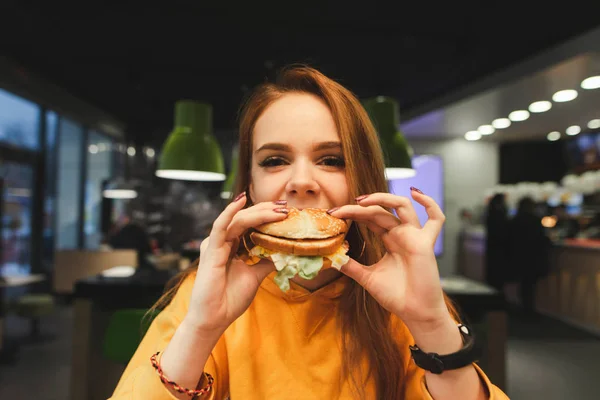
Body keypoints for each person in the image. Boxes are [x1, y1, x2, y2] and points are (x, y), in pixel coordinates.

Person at [110, 66, 507, 399]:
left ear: (361, 180)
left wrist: (430, 322)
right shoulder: (205, 294)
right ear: (250, 184)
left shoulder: (401, 300)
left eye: (331, 160)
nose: (301, 181)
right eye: (275, 160)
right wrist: (201, 328)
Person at [508, 197, 550, 314]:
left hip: (520, 258)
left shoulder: (515, 220)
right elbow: (542, 239)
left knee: (524, 285)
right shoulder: (535, 220)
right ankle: (528, 309)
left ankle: (524, 307)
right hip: (533, 258)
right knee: (530, 285)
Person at [484, 194, 510, 291]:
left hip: (493, 249)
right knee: (497, 277)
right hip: (499, 250)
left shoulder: (490, 212)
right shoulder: (500, 214)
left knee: (494, 277)